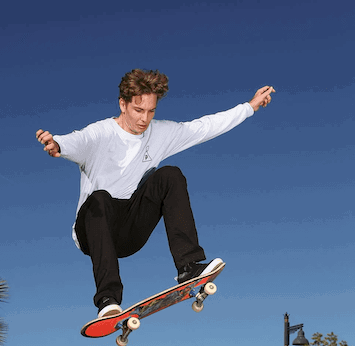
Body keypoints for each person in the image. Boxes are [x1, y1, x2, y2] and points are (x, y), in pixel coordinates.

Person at [36, 69, 275, 318]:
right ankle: (108, 299)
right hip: (93, 230)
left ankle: (189, 267)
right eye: (139, 111)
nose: (144, 119)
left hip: (130, 232)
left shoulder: (160, 133)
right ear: (123, 104)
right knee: (100, 198)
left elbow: (204, 127)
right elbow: (78, 141)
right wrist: (58, 145)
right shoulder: (101, 133)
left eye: (151, 111)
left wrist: (250, 106)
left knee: (169, 175)